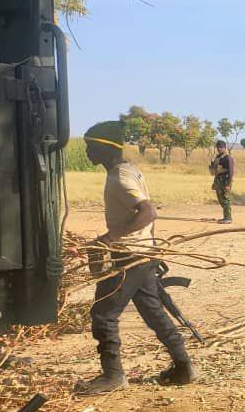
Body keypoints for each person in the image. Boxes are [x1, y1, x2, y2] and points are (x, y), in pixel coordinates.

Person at [75, 121, 198, 395]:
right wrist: (152, 248)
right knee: (153, 312)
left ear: (104, 148)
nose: (86, 151)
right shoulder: (129, 170)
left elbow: (147, 212)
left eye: (90, 145)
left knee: (103, 314)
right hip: (142, 254)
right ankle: (184, 367)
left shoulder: (120, 177)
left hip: (129, 257)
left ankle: (113, 376)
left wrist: (109, 239)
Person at [209, 140, 235, 224]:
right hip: (218, 180)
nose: (219, 149)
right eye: (218, 147)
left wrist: (228, 184)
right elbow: (215, 169)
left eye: (221, 147)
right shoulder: (218, 157)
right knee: (220, 199)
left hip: (225, 181)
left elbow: (231, 172)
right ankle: (225, 217)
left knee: (225, 199)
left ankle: (228, 218)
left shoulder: (228, 158)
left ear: (224, 148)